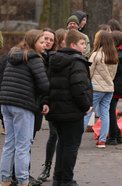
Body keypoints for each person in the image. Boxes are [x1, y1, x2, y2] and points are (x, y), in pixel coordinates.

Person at [0, 29, 49, 186]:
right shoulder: (34, 58)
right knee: (23, 145)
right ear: (33, 42)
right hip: (23, 105)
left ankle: (5, 180)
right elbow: (44, 85)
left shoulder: (13, 56)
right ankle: (23, 181)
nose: (44, 45)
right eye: (41, 42)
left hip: (6, 103)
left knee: (9, 144)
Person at [46, 29, 93, 186]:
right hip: (72, 112)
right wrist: (86, 106)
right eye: (82, 43)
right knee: (71, 146)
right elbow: (78, 88)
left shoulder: (55, 59)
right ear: (73, 44)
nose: (85, 46)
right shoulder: (77, 62)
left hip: (57, 110)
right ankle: (66, 180)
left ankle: (58, 178)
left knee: (63, 144)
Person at [84, 30, 118, 148]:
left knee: (87, 112)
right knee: (105, 114)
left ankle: (76, 138)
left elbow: (89, 72)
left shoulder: (95, 55)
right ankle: (102, 140)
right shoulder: (113, 56)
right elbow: (113, 74)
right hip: (109, 88)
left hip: (96, 88)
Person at [37, 28, 58, 182]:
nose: (48, 42)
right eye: (46, 38)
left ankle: (53, 169)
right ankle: (47, 167)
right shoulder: (36, 56)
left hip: (54, 100)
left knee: (56, 134)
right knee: (52, 136)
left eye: (51, 39)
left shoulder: (55, 57)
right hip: (39, 101)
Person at [106, 30, 122, 145]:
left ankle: (113, 136)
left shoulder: (116, 55)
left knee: (110, 111)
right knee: (111, 110)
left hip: (116, 85)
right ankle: (118, 136)